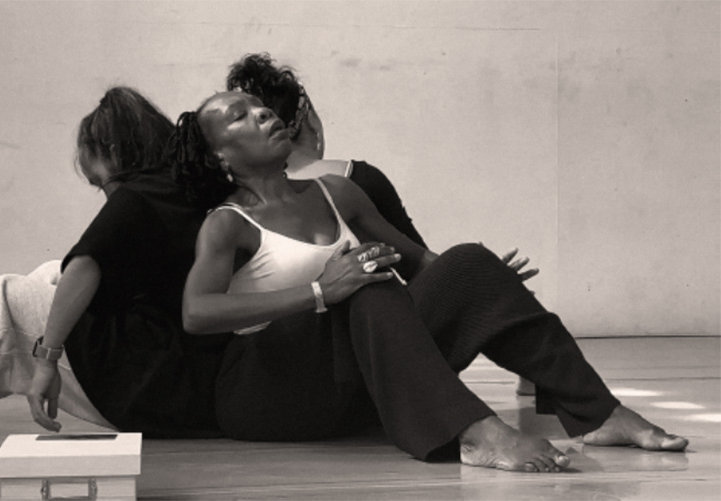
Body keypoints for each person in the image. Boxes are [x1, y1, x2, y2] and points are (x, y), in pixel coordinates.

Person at [171, 90, 688, 473]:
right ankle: (476, 433)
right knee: (367, 284)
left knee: (467, 263)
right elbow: (196, 313)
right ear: (223, 157)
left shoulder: (337, 191)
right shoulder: (229, 222)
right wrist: (320, 292)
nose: (262, 113)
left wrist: (485, 284)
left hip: (354, 386)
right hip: (269, 396)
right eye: (240, 116)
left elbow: (421, 262)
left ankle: (599, 413)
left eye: (260, 106)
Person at [0, 87, 227, 438]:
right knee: (51, 274)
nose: (107, 196)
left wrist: (46, 360)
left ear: (113, 152)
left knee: (4, 299)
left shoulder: (139, 195)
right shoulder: (183, 186)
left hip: (148, 384)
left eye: (101, 182)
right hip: (179, 371)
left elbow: (86, 265)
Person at [226, 52, 538, 394]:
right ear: (310, 120)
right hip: (349, 360)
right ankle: (540, 378)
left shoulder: (232, 202)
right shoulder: (354, 181)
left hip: (270, 372)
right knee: (392, 294)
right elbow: (420, 266)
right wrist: (478, 283)